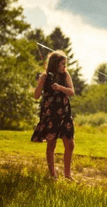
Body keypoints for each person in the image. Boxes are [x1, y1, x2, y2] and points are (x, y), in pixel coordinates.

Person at [31, 50, 75, 180]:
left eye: (65, 64)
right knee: (51, 143)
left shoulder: (65, 75)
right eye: (63, 64)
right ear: (55, 64)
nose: (65, 66)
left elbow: (72, 91)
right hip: (50, 113)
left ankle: (67, 175)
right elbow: (36, 96)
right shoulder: (45, 76)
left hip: (64, 113)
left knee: (70, 143)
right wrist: (40, 82)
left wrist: (60, 88)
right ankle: (53, 175)